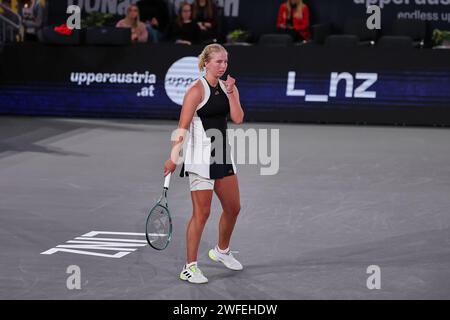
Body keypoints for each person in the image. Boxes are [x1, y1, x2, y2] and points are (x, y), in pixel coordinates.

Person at [163, 44, 245, 284]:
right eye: (218, 62)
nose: (223, 66)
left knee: (234, 208)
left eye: (225, 62)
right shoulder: (195, 91)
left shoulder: (228, 86)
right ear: (206, 63)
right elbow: (183, 127)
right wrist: (173, 157)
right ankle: (189, 267)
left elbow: (238, 118)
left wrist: (231, 92)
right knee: (202, 213)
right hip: (200, 158)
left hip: (221, 155)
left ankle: (221, 251)